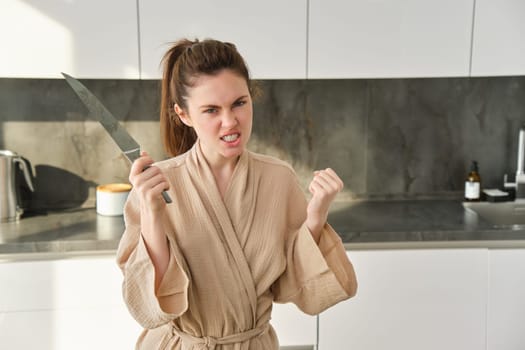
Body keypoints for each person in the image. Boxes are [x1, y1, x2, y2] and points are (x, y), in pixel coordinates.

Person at [116, 38, 358, 350]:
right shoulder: (156, 185)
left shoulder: (278, 178)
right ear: (184, 114)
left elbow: (294, 285)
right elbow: (151, 304)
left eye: (239, 103)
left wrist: (315, 216)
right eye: (211, 110)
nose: (230, 122)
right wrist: (151, 213)